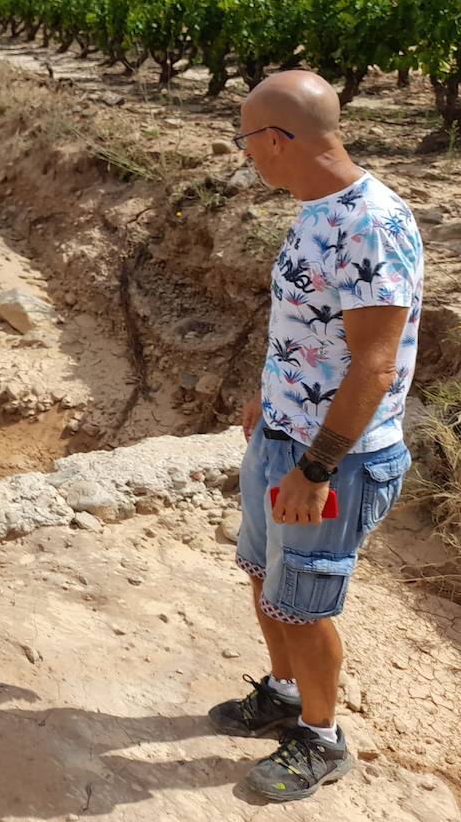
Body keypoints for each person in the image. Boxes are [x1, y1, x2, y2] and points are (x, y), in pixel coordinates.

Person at [207, 71, 424, 801]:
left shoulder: (371, 225)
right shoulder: (316, 208)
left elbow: (374, 363)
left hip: (336, 458)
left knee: (305, 604)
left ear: (276, 139)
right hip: (281, 434)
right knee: (266, 577)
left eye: (247, 139)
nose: (245, 154)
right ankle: (284, 693)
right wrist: (269, 398)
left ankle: (322, 738)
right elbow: (312, 327)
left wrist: (316, 467)